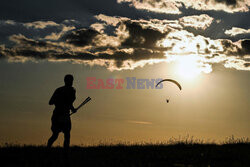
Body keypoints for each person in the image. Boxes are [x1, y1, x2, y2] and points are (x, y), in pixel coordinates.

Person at [47, 74, 76, 150]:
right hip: (58, 115)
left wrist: (72, 108)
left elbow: (69, 103)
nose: (71, 82)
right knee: (58, 135)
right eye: (70, 80)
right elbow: (51, 102)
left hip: (63, 115)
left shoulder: (70, 90)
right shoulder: (64, 90)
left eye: (71, 80)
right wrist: (70, 108)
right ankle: (48, 149)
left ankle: (64, 152)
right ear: (66, 81)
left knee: (64, 135)